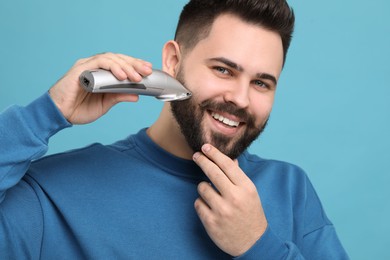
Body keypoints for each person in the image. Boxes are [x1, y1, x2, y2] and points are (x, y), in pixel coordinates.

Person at [0, 0, 349, 259]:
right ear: (172, 61)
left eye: (261, 82)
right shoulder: (54, 194)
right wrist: (45, 113)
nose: (240, 99)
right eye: (224, 70)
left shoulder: (290, 191)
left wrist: (258, 246)